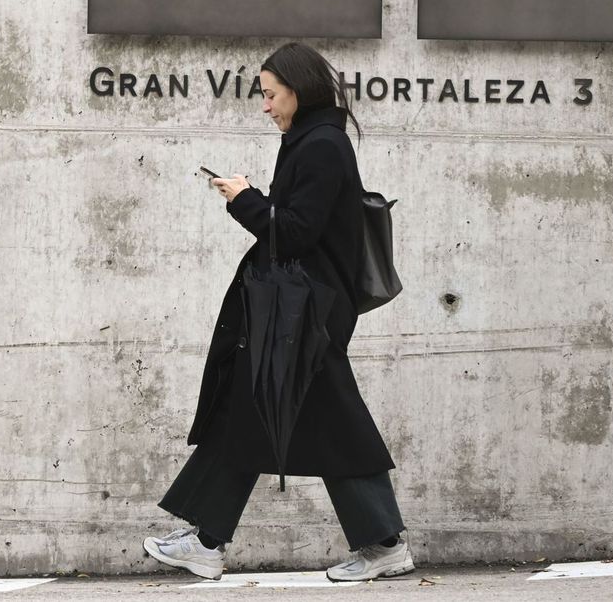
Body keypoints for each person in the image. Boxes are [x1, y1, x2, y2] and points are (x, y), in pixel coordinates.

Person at [143, 42, 414, 583]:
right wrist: (251, 198)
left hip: (306, 312)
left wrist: (244, 198)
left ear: (299, 90)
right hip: (298, 309)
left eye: (271, 95)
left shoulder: (322, 146)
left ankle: (383, 545)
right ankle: (207, 540)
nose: (265, 106)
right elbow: (299, 225)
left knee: (323, 420)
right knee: (252, 410)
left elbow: (294, 233)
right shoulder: (311, 141)